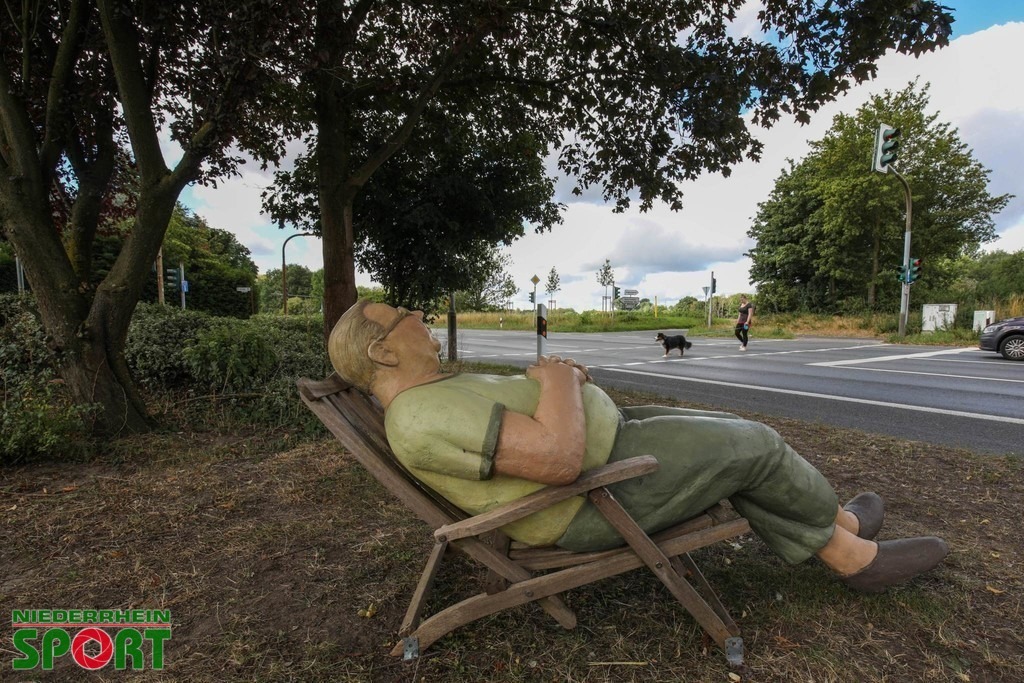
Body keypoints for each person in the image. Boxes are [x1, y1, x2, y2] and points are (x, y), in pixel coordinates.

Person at [327, 300, 948, 593]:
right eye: (404, 314)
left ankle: (833, 519)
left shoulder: (430, 395)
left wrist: (557, 384)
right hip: (592, 497)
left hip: (609, 451)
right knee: (752, 444)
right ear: (382, 350)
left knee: (733, 434)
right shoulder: (420, 415)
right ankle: (852, 559)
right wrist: (561, 379)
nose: (418, 317)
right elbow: (558, 460)